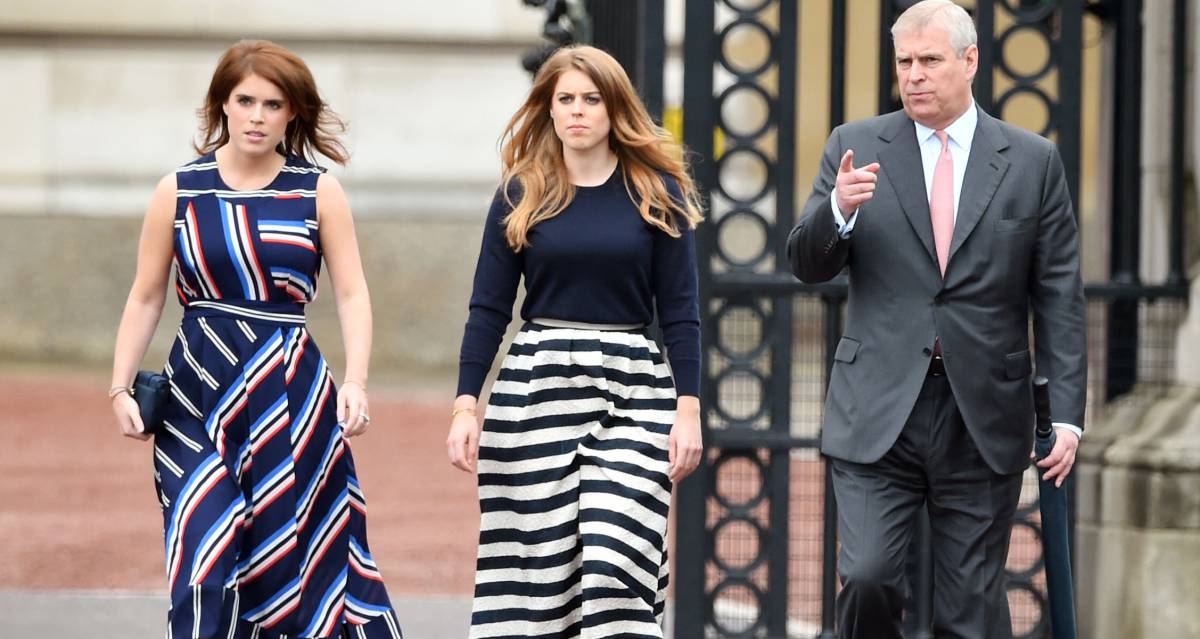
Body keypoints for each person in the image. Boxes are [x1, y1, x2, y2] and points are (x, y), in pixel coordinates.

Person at [786, 1, 1087, 637]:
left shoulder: (1032, 162)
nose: (915, 75)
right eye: (904, 62)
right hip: (877, 408)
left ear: (969, 60)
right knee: (867, 577)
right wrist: (837, 210)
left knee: (970, 613)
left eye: (930, 60)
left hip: (982, 413)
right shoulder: (856, 146)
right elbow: (807, 265)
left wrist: (1064, 413)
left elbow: (1058, 291)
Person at [109, 39, 401, 638]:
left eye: (273, 104)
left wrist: (357, 383)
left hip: (292, 397)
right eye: (245, 101)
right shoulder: (179, 190)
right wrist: (118, 387)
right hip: (197, 398)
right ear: (222, 104)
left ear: (292, 112)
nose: (257, 116)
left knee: (290, 563)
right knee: (202, 554)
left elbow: (352, 294)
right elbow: (146, 294)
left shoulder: (318, 192)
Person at [445, 44, 705, 638]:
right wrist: (466, 405)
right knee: (536, 576)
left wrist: (687, 410)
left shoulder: (657, 192)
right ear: (549, 108)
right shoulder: (521, 193)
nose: (578, 111)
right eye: (566, 99)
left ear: (615, 109)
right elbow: (488, 308)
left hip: (635, 387)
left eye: (592, 99)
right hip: (536, 386)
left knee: (618, 557)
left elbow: (682, 312)